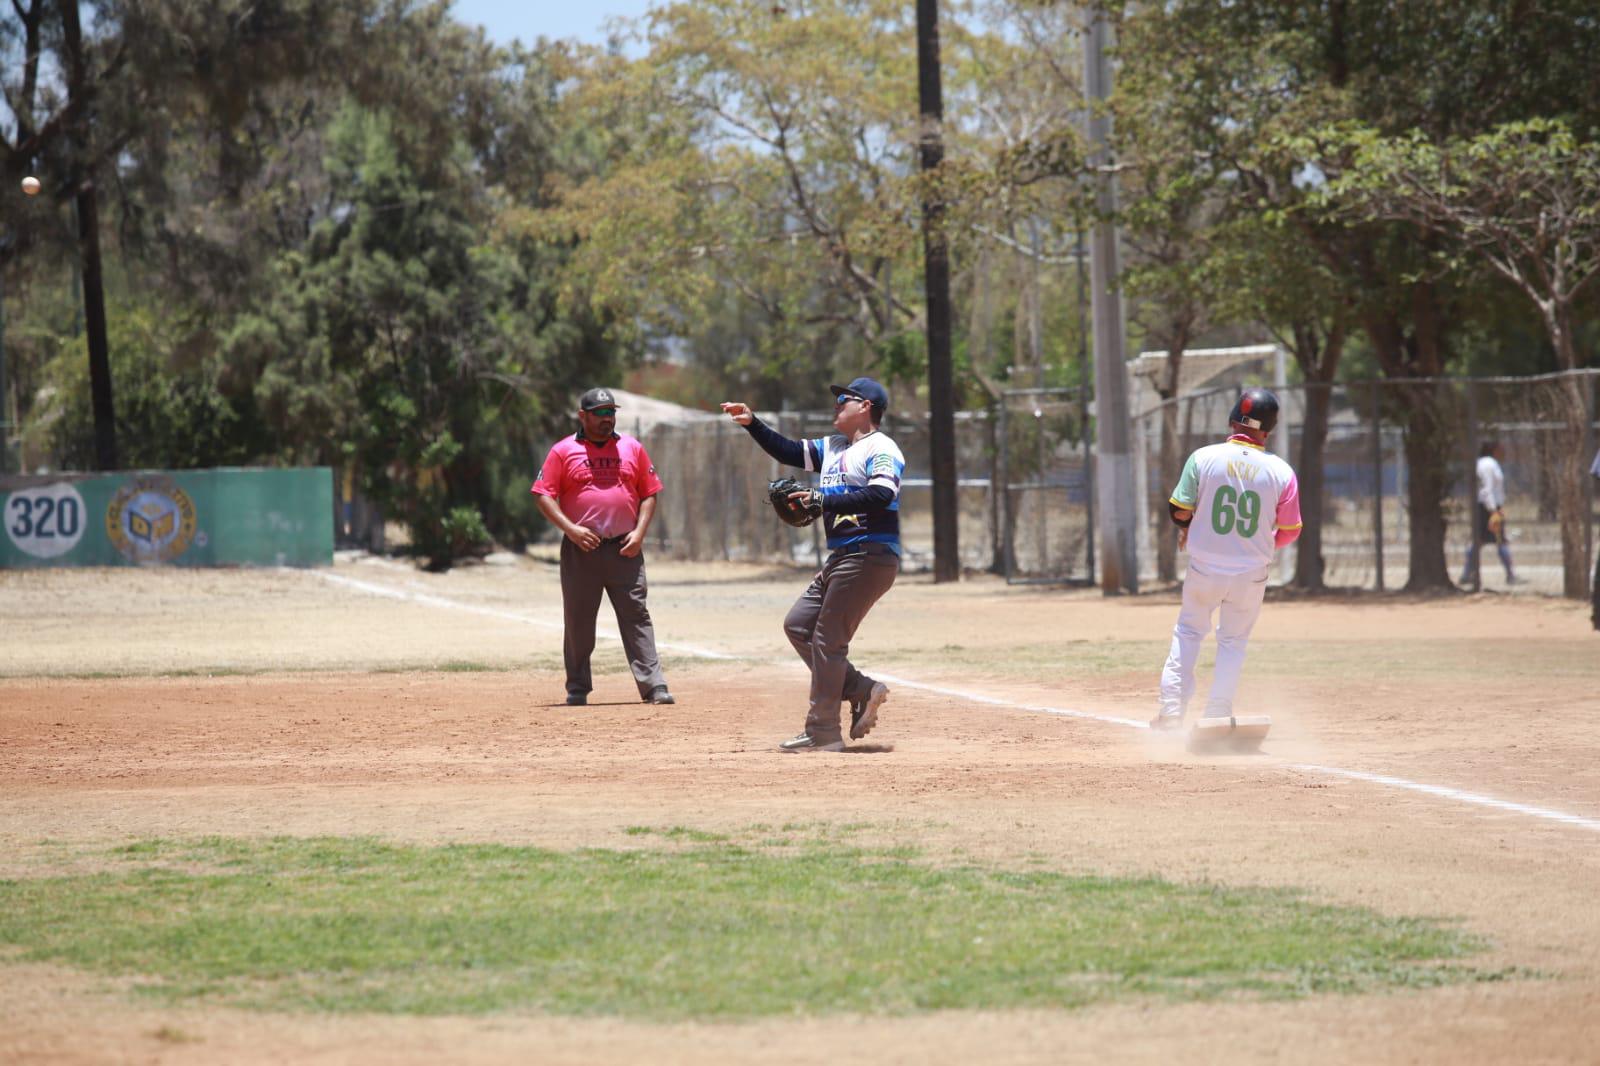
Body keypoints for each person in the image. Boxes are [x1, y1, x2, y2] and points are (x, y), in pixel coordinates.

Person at [720, 378, 903, 752]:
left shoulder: (882, 447)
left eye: (843, 399)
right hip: (843, 557)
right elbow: (787, 451)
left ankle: (823, 732)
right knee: (799, 625)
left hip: (870, 553)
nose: (836, 404)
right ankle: (860, 689)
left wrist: (824, 497)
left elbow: (882, 493)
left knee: (827, 638)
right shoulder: (833, 447)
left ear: (866, 406)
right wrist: (752, 423)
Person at [1151, 387, 1302, 731]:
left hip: (1205, 567)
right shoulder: (1281, 471)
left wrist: (1186, 526)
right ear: (1269, 429)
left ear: (1233, 419)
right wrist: (1262, 545)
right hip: (1252, 573)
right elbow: (1292, 529)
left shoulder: (1204, 457)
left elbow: (1179, 508)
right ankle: (1218, 711)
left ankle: (1172, 711)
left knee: (1189, 631)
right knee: (1233, 641)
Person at [531, 387, 675, 707]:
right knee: (579, 621)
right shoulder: (562, 451)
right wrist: (570, 529)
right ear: (583, 416)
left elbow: (649, 493)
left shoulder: (632, 448)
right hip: (581, 550)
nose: (607, 419)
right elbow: (542, 493)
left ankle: (654, 686)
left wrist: (639, 533)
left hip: (626, 548)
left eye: (611, 412)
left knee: (637, 616)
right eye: (600, 413)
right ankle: (578, 687)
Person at [1459, 441, 1517, 587]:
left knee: (1481, 541)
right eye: (1500, 448)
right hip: (1488, 507)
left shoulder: (1489, 463)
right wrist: (1493, 510)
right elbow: (1487, 489)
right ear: (1493, 449)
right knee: (1499, 540)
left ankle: (1467, 574)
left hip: (1488, 506)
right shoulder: (1488, 464)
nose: (1503, 451)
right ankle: (1510, 575)